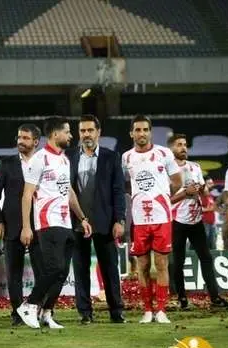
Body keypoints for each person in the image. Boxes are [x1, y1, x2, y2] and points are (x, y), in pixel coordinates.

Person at [18, 117, 92, 329]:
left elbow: (68, 192)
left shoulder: (65, 160)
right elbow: (27, 195)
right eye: (67, 132)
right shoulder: (39, 159)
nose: (71, 136)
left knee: (62, 272)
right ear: (55, 134)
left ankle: (47, 312)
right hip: (47, 221)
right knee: (54, 267)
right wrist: (26, 226)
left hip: (66, 222)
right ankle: (29, 304)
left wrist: (82, 218)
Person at [65, 115, 126, 324]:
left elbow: (118, 191)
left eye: (90, 130)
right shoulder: (69, 156)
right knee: (80, 269)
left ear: (98, 132)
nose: (86, 135)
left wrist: (120, 220)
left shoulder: (111, 157)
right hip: (77, 222)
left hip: (105, 222)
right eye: (82, 131)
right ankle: (85, 313)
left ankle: (116, 312)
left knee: (110, 269)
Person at [122, 115, 181, 324]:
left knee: (161, 263)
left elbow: (177, 181)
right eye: (138, 130)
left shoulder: (164, 153)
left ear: (150, 132)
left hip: (162, 217)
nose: (142, 133)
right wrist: (138, 196)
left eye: (145, 130)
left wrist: (161, 197)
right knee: (143, 265)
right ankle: (147, 310)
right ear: (131, 133)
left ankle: (161, 310)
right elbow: (123, 184)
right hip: (139, 219)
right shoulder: (126, 158)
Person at [0, 124, 44, 326]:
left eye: (25, 138)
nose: (20, 141)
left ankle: (40, 310)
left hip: (40, 226)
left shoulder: (45, 163)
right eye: (19, 137)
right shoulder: (7, 164)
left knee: (43, 273)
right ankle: (18, 313)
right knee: (14, 274)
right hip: (11, 226)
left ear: (36, 142)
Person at [169, 135, 228, 309]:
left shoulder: (195, 167)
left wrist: (203, 190)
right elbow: (167, 200)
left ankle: (214, 297)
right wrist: (186, 193)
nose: (183, 148)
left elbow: (204, 193)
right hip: (177, 221)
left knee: (206, 258)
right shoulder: (167, 171)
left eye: (185, 144)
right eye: (179, 145)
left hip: (196, 221)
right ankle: (182, 298)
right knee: (178, 261)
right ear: (171, 149)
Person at [201, 178, 217, 250]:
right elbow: (197, 208)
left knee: (213, 243)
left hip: (212, 222)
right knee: (204, 242)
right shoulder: (201, 196)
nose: (212, 185)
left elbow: (213, 207)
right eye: (209, 183)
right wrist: (209, 209)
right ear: (204, 185)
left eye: (212, 183)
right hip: (204, 222)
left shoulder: (210, 196)